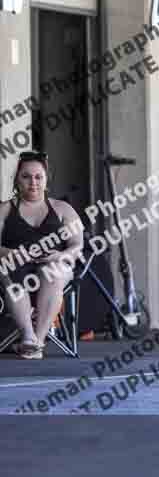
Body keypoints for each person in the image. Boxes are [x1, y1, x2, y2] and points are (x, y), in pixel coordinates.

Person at [0, 151, 84, 359]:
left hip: (55, 266)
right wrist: (12, 253)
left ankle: (37, 340)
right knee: (12, 272)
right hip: (15, 265)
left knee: (53, 272)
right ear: (17, 180)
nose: (33, 182)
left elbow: (77, 246)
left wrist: (58, 255)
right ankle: (28, 338)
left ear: (46, 180)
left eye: (39, 177)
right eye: (26, 176)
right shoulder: (4, 209)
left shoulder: (63, 208)